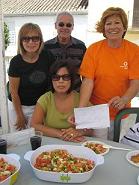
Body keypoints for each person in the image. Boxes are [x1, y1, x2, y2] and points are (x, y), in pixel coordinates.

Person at [69, 7, 139, 140]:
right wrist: (82, 111)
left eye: (117, 22)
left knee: (117, 149)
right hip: (97, 112)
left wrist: (124, 99)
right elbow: (88, 81)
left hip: (122, 114)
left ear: (124, 27)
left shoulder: (134, 51)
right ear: (103, 28)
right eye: (108, 23)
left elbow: (136, 81)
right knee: (98, 148)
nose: (113, 27)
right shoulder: (93, 50)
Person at [31, 60, 93, 142]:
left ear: (72, 80)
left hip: (76, 144)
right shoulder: (45, 99)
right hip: (50, 145)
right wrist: (60, 134)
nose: (61, 81)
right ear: (51, 80)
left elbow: (91, 129)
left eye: (66, 77)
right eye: (56, 77)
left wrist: (79, 132)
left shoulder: (82, 100)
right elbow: (35, 125)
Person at [8, 23, 54, 132]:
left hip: (38, 106)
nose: (31, 42)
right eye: (26, 39)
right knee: (19, 141)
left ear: (40, 40)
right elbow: (13, 92)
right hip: (18, 106)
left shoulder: (47, 56)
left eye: (35, 38)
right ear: (21, 41)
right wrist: (20, 116)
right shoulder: (16, 62)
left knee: (36, 138)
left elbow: (53, 82)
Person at [44, 11, 86, 92]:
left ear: (73, 27)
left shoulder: (81, 46)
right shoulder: (46, 47)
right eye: (61, 24)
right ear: (55, 25)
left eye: (69, 25)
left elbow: (85, 75)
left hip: (76, 93)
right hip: (53, 94)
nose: (65, 27)